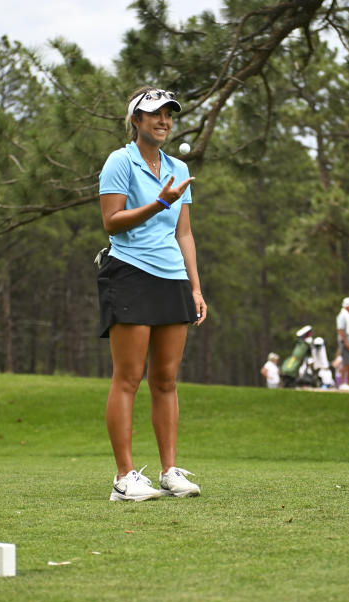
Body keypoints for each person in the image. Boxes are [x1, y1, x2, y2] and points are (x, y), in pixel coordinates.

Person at [97, 86, 206, 502]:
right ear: (136, 121)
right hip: (128, 273)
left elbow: (185, 232)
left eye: (169, 114)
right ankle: (125, 478)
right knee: (128, 378)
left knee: (166, 381)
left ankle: (169, 472)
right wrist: (160, 202)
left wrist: (195, 286)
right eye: (155, 114)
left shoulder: (178, 167)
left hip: (172, 278)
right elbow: (112, 221)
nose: (164, 120)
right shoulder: (119, 161)